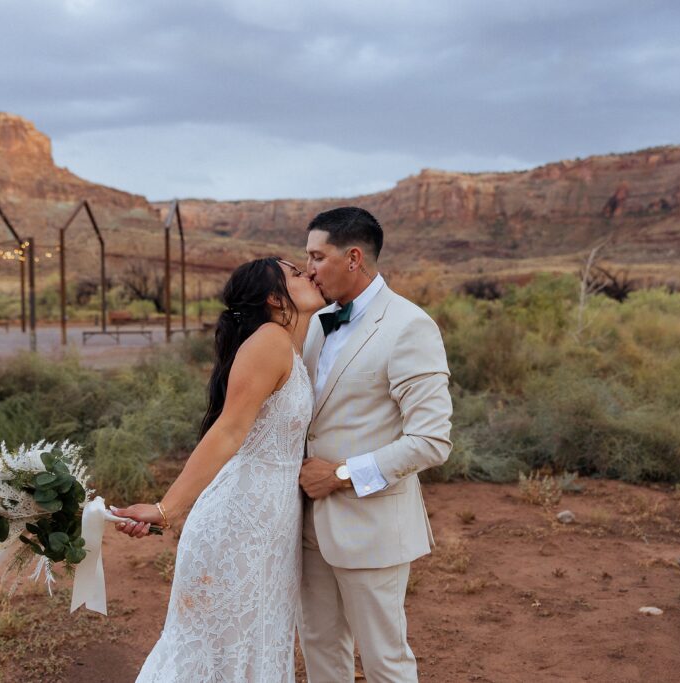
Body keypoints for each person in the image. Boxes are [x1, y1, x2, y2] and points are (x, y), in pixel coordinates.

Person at [112, 256, 324, 681]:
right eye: (297, 273)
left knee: (254, 640)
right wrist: (166, 509)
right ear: (273, 296)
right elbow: (228, 432)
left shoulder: (288, 343)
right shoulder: (270, 341)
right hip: (239, 520)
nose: (309, 273)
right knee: (218, 646)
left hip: (271, 522)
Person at [297, 206, 453, 682]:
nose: (308, 269)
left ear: (353, 258)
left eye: (317, 256)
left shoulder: (409, 326)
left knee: (385, 660)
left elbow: (431, 440)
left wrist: (341, 474)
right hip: (305, 526)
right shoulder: (316, 322)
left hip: (371, 525)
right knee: (321, 650)